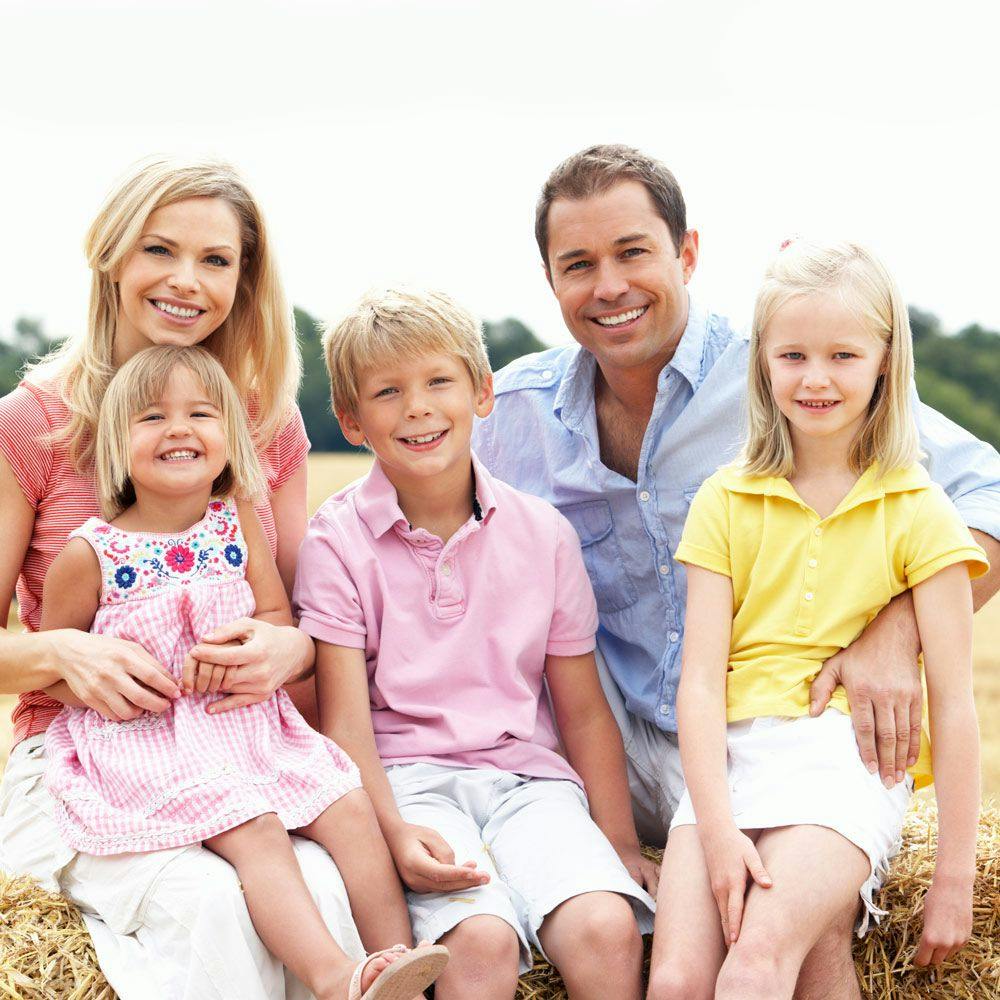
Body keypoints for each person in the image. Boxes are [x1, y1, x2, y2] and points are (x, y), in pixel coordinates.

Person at [472, 144, 1000, 997]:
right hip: (616, 756)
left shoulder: (793, 358)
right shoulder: (506, 416)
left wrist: (890, 631)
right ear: (549, 280)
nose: (609, 286)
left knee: (789, 947)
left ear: (687, 254)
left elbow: (989, 494)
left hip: (800, 735)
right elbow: (382, 522)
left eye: (633, 252)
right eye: (579, 264)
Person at [0, 156, 362, 1000]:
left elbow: (306, 620)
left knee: (323, 886)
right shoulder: (30, 424)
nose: (186, 281)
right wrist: (61, 653)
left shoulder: (265, 426)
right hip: (87, 755)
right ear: (111, 256)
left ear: (243, 280)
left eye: (215, 260)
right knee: (209, 904)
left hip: (239, 747)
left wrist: (287, 649)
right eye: (159, 249)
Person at [41, 346, 448, 1000]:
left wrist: (258, 642)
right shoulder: (92, 554)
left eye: (200, 414)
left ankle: (396, 967)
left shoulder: (236, 526)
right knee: (253, 825)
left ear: (229, 439)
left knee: (346, 802)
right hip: (154, 742)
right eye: (152, 417)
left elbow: (275, 612)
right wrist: (114, 688)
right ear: (116, 445)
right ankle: (335, 977)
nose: (178, 429)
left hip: (249, 724)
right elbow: (54, 666)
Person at [646, 239, 987, 999]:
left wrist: (955, 878)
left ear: (885, 361)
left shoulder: (920, 509)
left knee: (757, 961)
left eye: (843, 355)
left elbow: (955, 703)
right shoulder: (724, 498)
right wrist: (717, 828)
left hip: (842, 760)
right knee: (674, 982)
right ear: (762, 363)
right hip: (729, 761)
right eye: (793, 355)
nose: (816, 378)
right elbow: (699, 684)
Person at [293, 288, 657, 1000]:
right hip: (408, 784)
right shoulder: (335, 543)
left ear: (482, 393)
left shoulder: (543, 533)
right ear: (351, 419)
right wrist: (391, 832)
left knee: (605, 928)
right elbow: (346, 726)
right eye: (388, 392)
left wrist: (618, 842)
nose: (418, 408)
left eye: (439, 382)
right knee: (479, 943)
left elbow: (583, 712)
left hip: (529, 782)